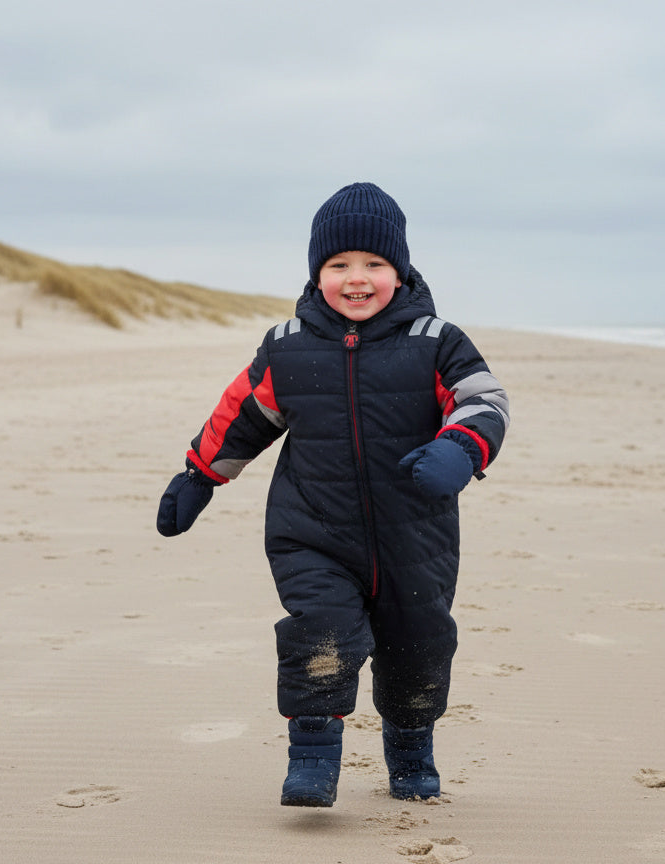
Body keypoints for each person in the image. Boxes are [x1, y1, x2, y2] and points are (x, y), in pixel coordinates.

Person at [157, 182, 509, 808]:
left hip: (416, 539)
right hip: (311, 532)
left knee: (419, 646)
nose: (356, 278)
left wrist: (461, 447)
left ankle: (411, 752)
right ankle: (313, 758)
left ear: (400, 271)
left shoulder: (437, 339)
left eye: (374, 264)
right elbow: (243, 415)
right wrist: (200, 475)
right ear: (316, 272)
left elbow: (484, 400)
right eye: (339, 264)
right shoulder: (287, 345)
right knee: (321, 634)